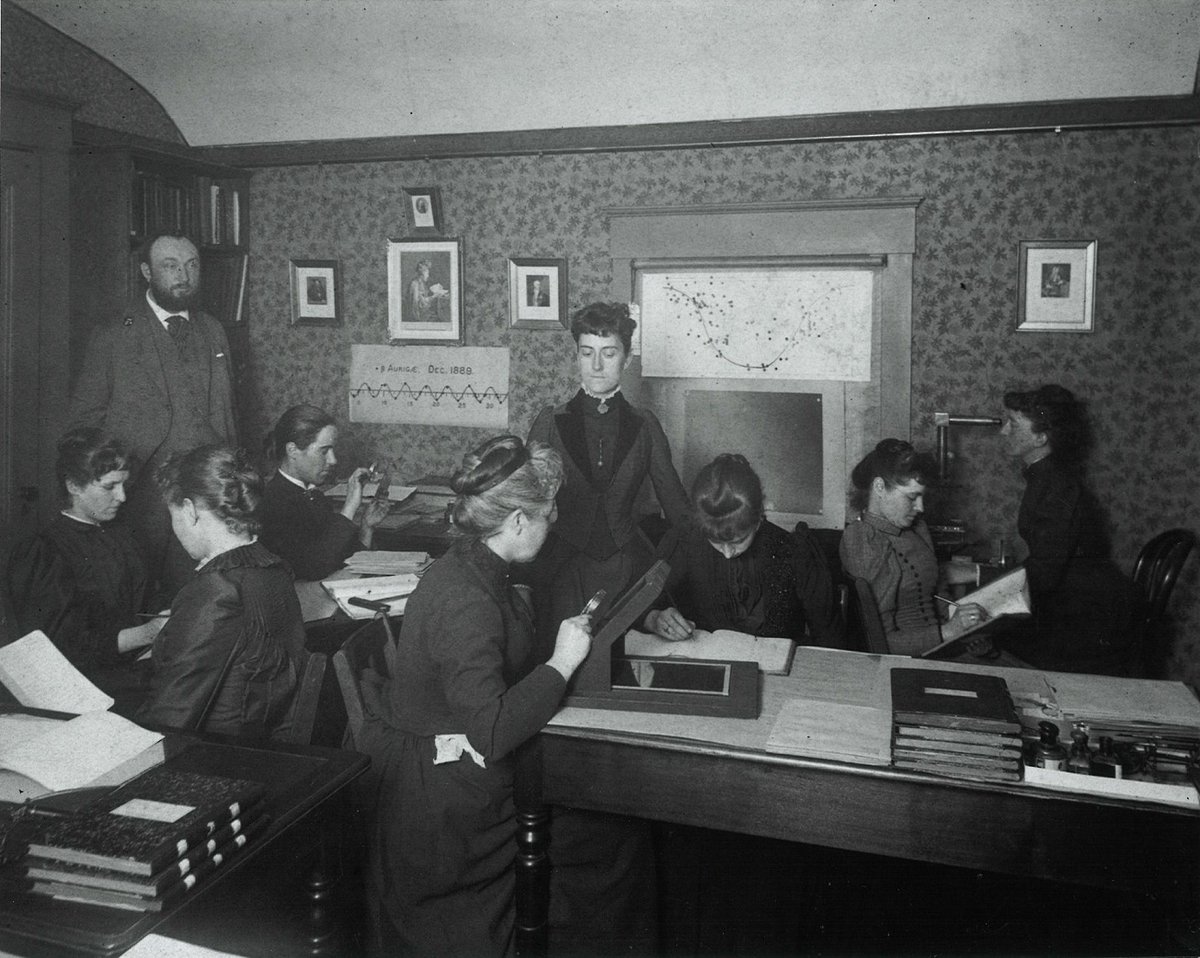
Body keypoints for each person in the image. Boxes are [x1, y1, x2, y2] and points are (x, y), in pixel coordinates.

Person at [355, 435, 592, 956]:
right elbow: (489, 731)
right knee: (599, 843)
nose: (552, 525)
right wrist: (562, 662)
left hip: (447, 771)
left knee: (598, 836)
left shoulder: (471, 565)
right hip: (442, 800)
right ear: (517, 523)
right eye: (548, 514)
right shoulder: (466, 599)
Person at [526, 301, 682, 954]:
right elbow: (525, 509)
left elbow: (678, 514)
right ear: (575, 356)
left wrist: (655, 580)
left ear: (626, 356)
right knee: (557, 720)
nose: (596, 365)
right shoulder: (546, 421)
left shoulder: (645, 426)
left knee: (618, 726)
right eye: (586, 352)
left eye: (609, 352)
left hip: (624, 595)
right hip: (556, 588)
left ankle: (617, 884)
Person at [69, 230, 237, 601]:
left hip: (201, 501)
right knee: (136, 603)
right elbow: (84, 422)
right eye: (170, 265)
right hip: (137, 500)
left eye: (192, 265)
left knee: (201, 601)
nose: (184, 275)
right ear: (146, 271)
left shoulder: (213, 331)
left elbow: (227, 417)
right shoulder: (114, 334)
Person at [137, 446, 306, 739]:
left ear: (189, 511)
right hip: (264, 743)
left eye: (173, 516)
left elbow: (170, 715)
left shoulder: (217, 590)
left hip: (217, 756)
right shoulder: (274, 568)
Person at [6, 428, 163, 714]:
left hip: (134, 675)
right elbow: (58, 649)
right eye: (109, 487)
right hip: (85, 693)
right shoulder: (45, 551)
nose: (123, 497)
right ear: (73, 486)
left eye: (125, 485)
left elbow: (146, 597)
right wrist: (147, 634)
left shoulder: (127, 534)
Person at [995, 385, 1135, 674]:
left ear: (1041, 437)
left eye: (1014, 423)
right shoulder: (1045, 475)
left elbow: (1046, 571)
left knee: (990, 641)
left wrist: (989, 590)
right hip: (1079, 601)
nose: (1004, 431)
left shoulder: (1055, 483)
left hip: (1090, 615)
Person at [645, 453, 842, 645]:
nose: (727, 553)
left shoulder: (795, 551)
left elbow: (829, 637)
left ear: (758, 520)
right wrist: (655, 619)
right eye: (715, 541)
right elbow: (640, 606)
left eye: (738, 541)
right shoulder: (686, 544)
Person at [840, 439, 989, 656]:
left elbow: (938, 596)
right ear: (879, 487)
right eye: (912, 497)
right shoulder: (862, 540)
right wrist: (949, 631)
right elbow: (879, 642)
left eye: (922, 497)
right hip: (906, 659)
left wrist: (970, 631)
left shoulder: (917, 528)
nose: (920, 507)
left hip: (943, 647)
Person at [258, 404, 390, 581]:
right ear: (293, 450)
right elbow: (314, 569)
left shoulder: (315, 497)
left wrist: (367, 527)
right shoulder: (273, 503)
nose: (333, 460)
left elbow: (347, 563)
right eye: (324, 451)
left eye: (332, 450)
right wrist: (350, 507)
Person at [408, 258, 449, 322]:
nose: (428, 276)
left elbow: (424, 297)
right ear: (422, 273)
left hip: (424, 312)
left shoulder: (422, 283)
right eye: (427, 273)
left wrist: (435, 291)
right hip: (419, 315)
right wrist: (434, 296)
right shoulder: (415, 284)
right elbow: (419, 304)